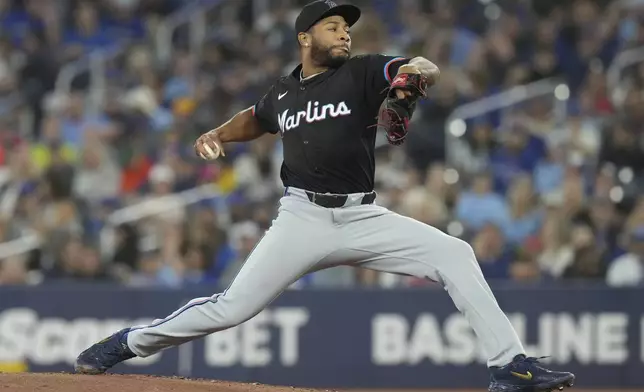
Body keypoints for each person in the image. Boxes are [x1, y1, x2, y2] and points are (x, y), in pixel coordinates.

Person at [74, 2, 575, 391]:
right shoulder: (283, 93)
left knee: (455, 253)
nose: (344, 33)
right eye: (333, 27)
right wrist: (219, 134)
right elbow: (256, 117)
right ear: (305, 37)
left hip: (363, 215)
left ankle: (509, 366)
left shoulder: (360, 72)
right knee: (231, 308)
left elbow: (422, 65)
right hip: (302, 218)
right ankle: (127, 343)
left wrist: (408, 85)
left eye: (346, 27)